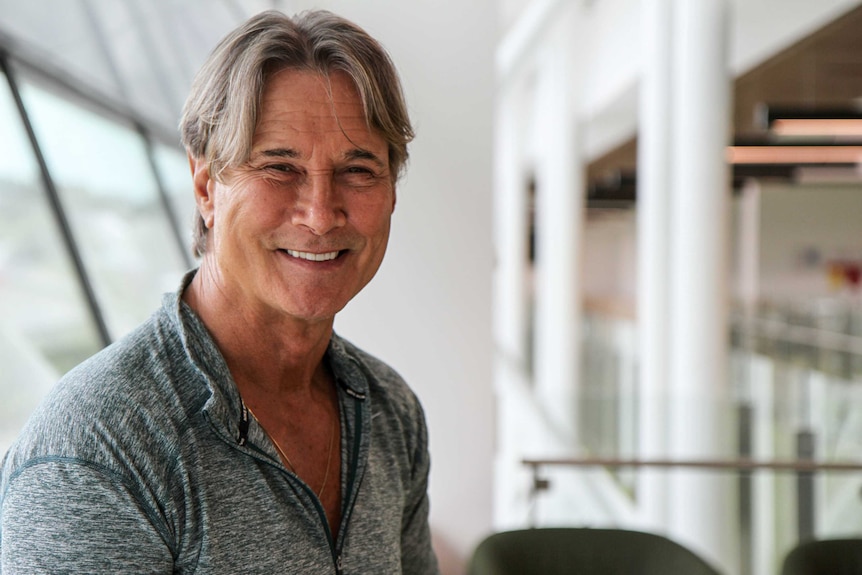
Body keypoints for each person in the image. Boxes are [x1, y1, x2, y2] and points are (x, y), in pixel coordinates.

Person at [0, 9, 439, 574]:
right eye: (280, 166)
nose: (320, 214)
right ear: (207, 186)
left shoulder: (389, 411)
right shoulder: (96, 450)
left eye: (358, 170)